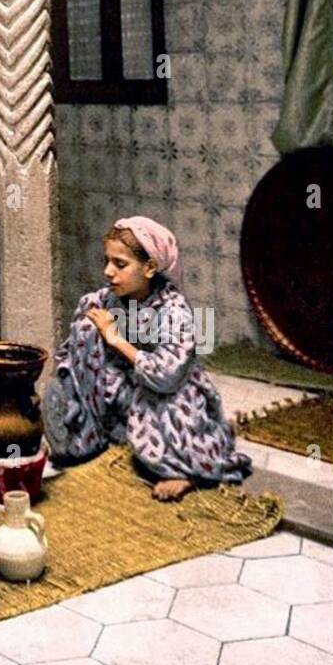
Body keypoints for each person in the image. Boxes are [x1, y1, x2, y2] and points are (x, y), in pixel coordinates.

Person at [41, 215, 252, 501]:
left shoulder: (174, 310)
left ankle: (184, 470)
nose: (108, 271)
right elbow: (75, 347)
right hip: (129, 388)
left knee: (163, 409)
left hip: (170, 395)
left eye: (120, 264)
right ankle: (92, 438)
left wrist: (116, 338)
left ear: (150, 267)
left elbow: (166, 376)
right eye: (107, 261)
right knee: (86, 329)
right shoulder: (110, 298)